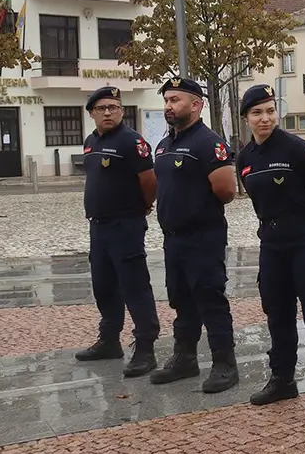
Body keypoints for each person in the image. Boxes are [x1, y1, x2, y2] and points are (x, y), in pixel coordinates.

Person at [236, 84, 305, 419]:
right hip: (272, 243)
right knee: (277, 311)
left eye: (270, 111)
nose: (265, 118)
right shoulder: (245, 158)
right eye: (257, 113)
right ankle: (282, 378)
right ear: (246, 119)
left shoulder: (297, 149)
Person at [149, 76, 241, 393]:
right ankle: (185, 358)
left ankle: (224, 365)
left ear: (196, 104)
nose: (169, 106)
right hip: (173, 238)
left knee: (209, 299)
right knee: (181, 299)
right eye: (167, 100)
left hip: (203, 236)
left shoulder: (207, 142)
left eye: (176, 100)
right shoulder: (164, 144)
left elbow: (227, 190)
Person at [74, 85, 161, 377]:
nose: (108, 112)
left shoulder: (131, 141)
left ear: (122, 112)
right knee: (103, 285)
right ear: (92, 113)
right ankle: (110, 340)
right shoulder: (90, 141)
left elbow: (149, 181)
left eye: (113, 107)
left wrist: (143, 206)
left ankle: (146, 349)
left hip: (125, 225)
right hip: (98, 227)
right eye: (101, 108)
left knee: (134, 286)